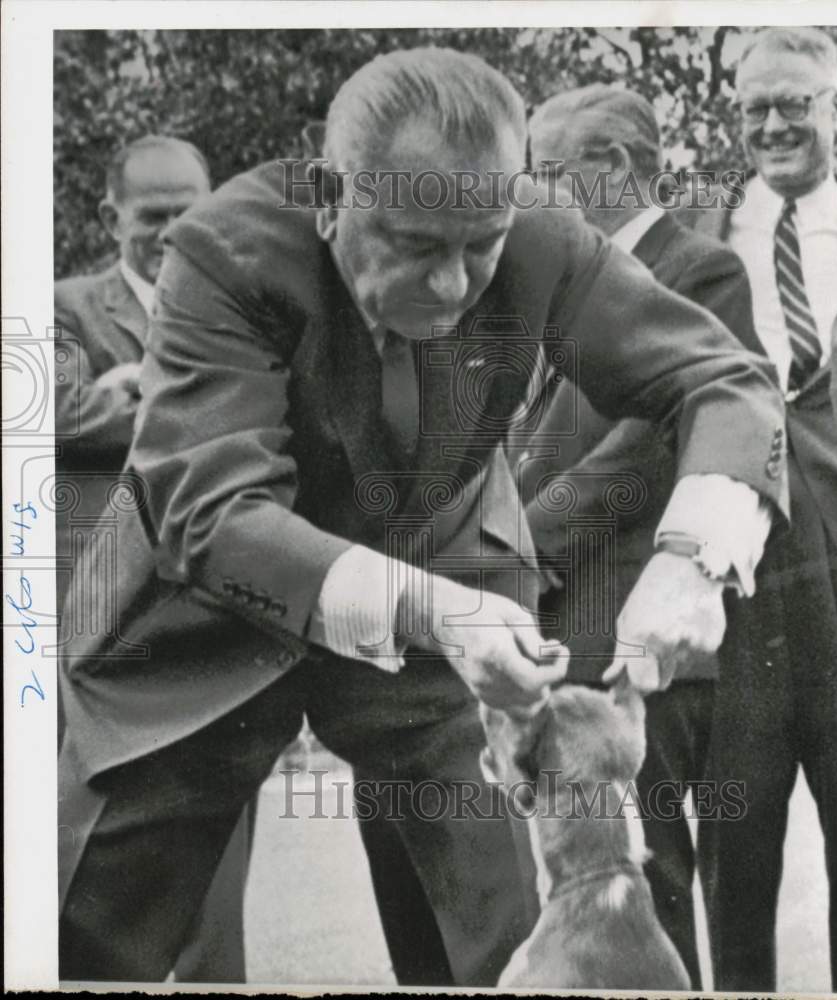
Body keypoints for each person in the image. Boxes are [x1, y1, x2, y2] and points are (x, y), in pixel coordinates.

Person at [57, 47, 787, 984]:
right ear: (329, 196)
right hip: (203, 620)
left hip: (456, 599)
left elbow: (723, 378)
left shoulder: (541, 240)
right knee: (78, 934)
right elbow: (214, 511)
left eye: (478, 246)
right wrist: (433, 610)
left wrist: (697, 561)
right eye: (413, 246)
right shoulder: (221, 250)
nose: (452, 288)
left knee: (521, 939)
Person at [521, 83, 765, 989]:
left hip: (636, 640)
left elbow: (653, 442)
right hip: (558, 631)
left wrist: (519, 538)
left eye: (547, 172)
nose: (531, 195)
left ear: (614, 167)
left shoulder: (698, 269)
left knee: (646, 898)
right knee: (580, 909)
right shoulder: (552, 279)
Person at [679, 27, 837, 991]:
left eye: (793, 103)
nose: (771, 124)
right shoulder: (696, 237)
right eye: (753, 106)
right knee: (736, 846)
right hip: (741, 577)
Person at [54, 135, 255, 983]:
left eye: (191, 212)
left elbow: (256, 425)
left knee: (217, 868)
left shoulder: (246, 303)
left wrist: (131, 387)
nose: (174, 232)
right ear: (111, 218)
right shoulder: (63, 306)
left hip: (214, 618)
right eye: (153, 216)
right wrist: (162, 401)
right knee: (89, 852)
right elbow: (47, 416)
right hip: (99, 617)